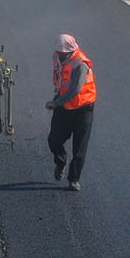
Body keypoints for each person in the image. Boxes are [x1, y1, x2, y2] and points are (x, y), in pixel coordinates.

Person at [45, 32, 96, 190]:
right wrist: (57, 98)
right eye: (59, 52)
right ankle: (61, 161)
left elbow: (75, 90)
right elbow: (60, 79)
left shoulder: (80, 64)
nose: (60, 55)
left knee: (79, 148)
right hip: (64, 107)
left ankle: (74, 179)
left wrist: (57, 103)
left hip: (83, 109)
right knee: (53, 140)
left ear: (70, 51)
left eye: (63, 53)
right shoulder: (57, 58)